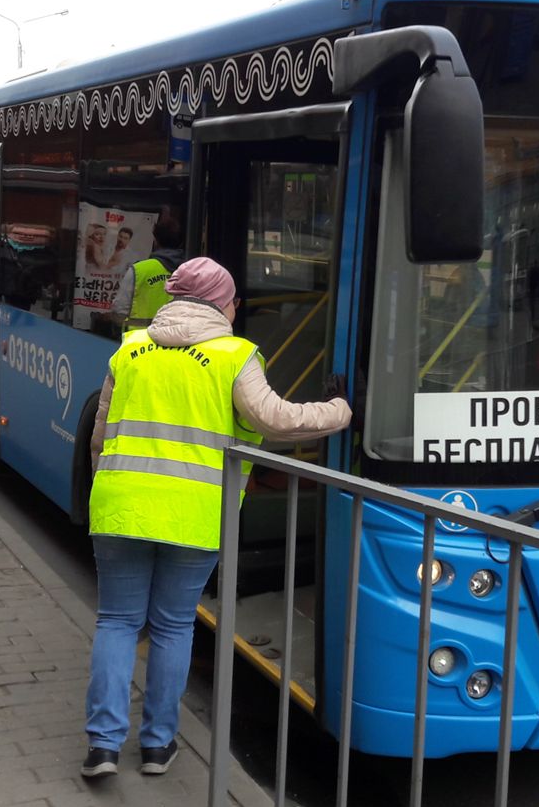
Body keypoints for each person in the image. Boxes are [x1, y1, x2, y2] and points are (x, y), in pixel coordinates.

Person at [81, 256, 352, 778]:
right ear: (224, 305)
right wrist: (338, 408)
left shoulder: (131, 350)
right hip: (196, 514)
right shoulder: (235, 355)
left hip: (120, 508)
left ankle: (103, 747)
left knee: (116, 623)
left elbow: (100, 432)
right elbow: (277, 419)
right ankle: (158, 746)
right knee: (173, 626)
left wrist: (106, 492)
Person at [107, 213, 184, 333]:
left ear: (155, 240)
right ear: (180, 242)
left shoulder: (139, 270)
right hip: (178, 345)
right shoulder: (193, 272)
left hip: (140, 344)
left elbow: (119, 311)